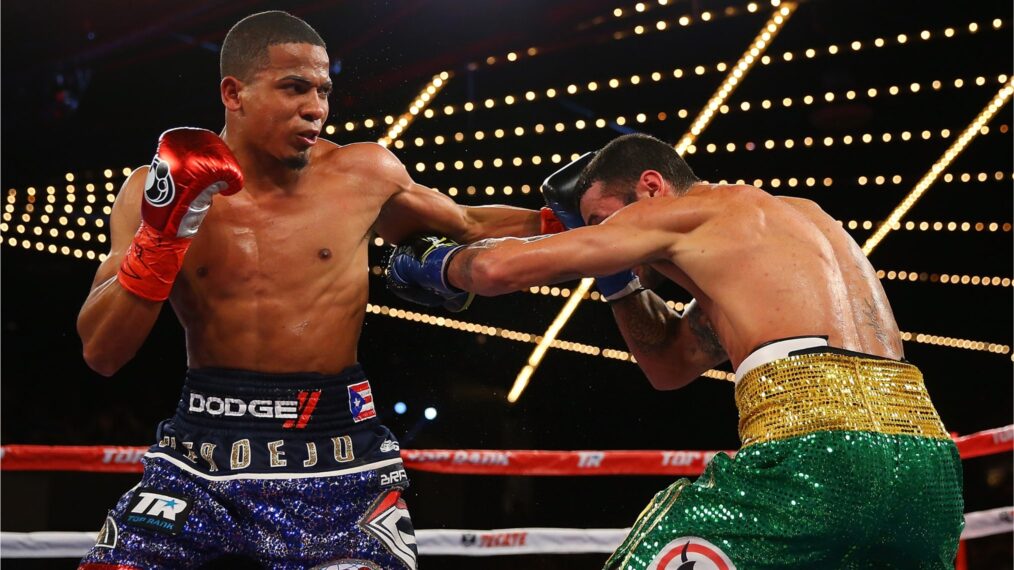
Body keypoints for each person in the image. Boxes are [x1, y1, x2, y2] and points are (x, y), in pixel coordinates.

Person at [75, 11, 553, 569]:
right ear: (235, 92)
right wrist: (163, 237)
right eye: (294, 87)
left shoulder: (363, 174)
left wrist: (574, 221)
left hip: (338, 457)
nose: (317, 108)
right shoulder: (150, 189)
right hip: (200, 458)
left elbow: (467, 224)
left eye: (324, 90)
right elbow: (102, 352)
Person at [386, 133, 965, 569]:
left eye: (597, 222)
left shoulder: (684, 213)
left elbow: (494, 266)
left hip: (818, 455)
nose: (598, 240)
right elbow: (669, 365)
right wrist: (616, 279)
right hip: (930, 470)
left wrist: (432, 263)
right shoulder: (793, 227)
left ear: (651, 188)